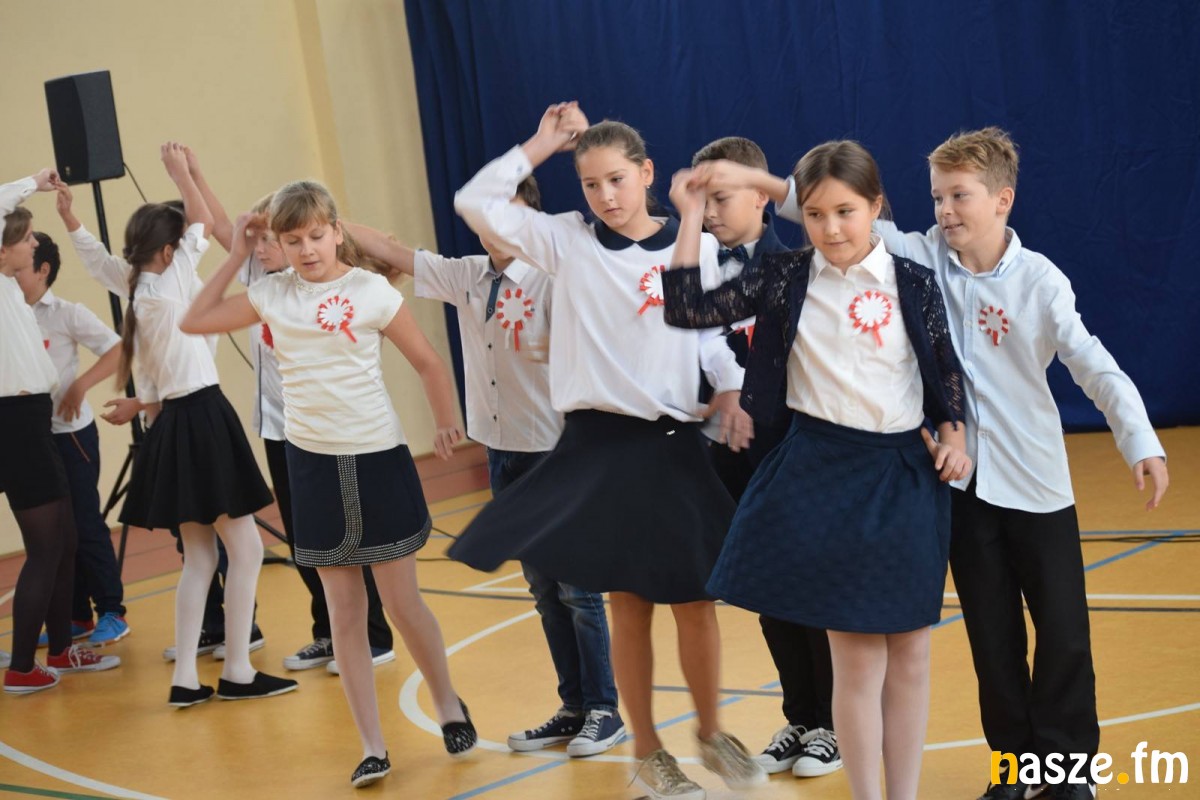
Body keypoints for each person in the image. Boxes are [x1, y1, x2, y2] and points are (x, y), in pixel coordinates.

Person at [449, 103, 765, 800]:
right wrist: (541, 143)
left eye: (616, 179)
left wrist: (731, 388)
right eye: (590, 184)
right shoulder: (566, 241)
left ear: (646, 173)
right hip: (599, 445)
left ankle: (712, 732)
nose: (605, 195)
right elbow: (474, 201)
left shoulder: (694, 244)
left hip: (673, 444)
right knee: (628, 604)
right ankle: (648, 752)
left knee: (696, 600)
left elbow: (710, 337)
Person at [858, 127, 1168, 800]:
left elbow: (1095, 366)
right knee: (993, 641)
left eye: (959, 196)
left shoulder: (1039, 282)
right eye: (936, 197)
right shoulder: (921, 259)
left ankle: (1067, 774)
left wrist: (1140, 439)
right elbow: (844, 215)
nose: (944, 210)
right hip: (964, 489)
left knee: (1063, 634)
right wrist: (765, 188)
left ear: (1002, 200)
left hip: (1037, 485)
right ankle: (1015, 769)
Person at [663, 139, 970, 800]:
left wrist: (955, 434)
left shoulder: (913, 282)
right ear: (800, 214)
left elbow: (943, 367)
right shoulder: (785, 277)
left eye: (845, 211)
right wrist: (689, 216)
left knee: (911, 653)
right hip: (821, 470)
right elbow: (686, 308)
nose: (831, 229)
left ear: (876, 206)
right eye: (816, 214)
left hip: (904, 476)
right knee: (855, 658)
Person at [181, 179, 476, 788]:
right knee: (343, 610)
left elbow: (427, 361)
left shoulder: (370, 291)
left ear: (337, 232)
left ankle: (448, 702)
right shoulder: (271, 295)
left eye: (317, 235)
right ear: (278, 245)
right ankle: (372, 745)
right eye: (292, 241)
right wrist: (235, 254)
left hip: (377, 459)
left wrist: (447, 420)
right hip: (311, 468)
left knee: (402, 603)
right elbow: (194, 320)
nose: (307, 249)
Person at [346, 176, 624, 758]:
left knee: (578, 589)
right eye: (485, 215)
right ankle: (573, 706)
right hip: (503, 451)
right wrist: (325, 220)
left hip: (558, 449)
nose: (494, 226)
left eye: (508, 213)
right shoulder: (468, 276)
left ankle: (605, 709)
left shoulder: (556, 278)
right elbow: (393, 252)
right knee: (542, 588)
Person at [61, 143, 294, 706]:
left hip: (171, 424)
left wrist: (70, 219)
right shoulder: (169, 280)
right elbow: (201, 223)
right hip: (203, 417)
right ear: (167, 252)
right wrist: (182, 173)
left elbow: (96, 259)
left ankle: (186, 679)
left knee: (200, 556)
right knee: (246, 550)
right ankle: (237, 669)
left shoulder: (136, 286)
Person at [181, 150, 396, 675]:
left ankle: (373, 637)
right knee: (306, 540)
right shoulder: (263, 282)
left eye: (269, 239)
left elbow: (354, 241)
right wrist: (192, 174)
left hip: (332, 432)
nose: (259, 248)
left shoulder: (321, 283)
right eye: (259, 240)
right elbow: (223, 228)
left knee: (349, 539)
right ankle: (330, 632)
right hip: (282, 431)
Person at [687, 135, 840, 779]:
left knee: (811, 586)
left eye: (719, 197)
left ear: (760, 196)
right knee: (765, 587)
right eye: (700, 201)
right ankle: (799, 714)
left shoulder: (801, 263)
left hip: (794, 449)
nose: (708, 213)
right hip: (729, 453)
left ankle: (833, 722)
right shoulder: (693, 264)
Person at [2, 169, 118, 695]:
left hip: (30, 421)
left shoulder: (16, 292)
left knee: (65, 538)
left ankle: (59, 650)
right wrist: (34, 182)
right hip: (17, 423)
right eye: (26, 237)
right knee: (47, 547)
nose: (34, 243)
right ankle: (22, 666)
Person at [15, 232, 130, 649]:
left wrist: (81, 385)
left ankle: (112, 610)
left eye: (19, 268)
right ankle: (76, 615)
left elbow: (118, 349)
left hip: (71, 436)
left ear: (43, 270)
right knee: (56, 533)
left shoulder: (66, 313)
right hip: (33, 440)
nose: (9, 274)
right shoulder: (10, 315)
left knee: (83, 522)